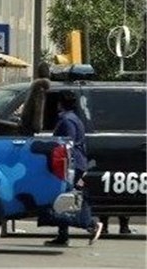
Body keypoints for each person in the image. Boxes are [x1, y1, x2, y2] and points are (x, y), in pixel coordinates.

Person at [42, 90, 103, 247]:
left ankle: (91, 224)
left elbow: (68, 142)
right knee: (64, 198)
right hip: (76, 164)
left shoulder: (67, 120)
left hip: (71, 166)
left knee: (67, 197)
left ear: (60, 103)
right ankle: (63, 235)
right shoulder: (74, 118)